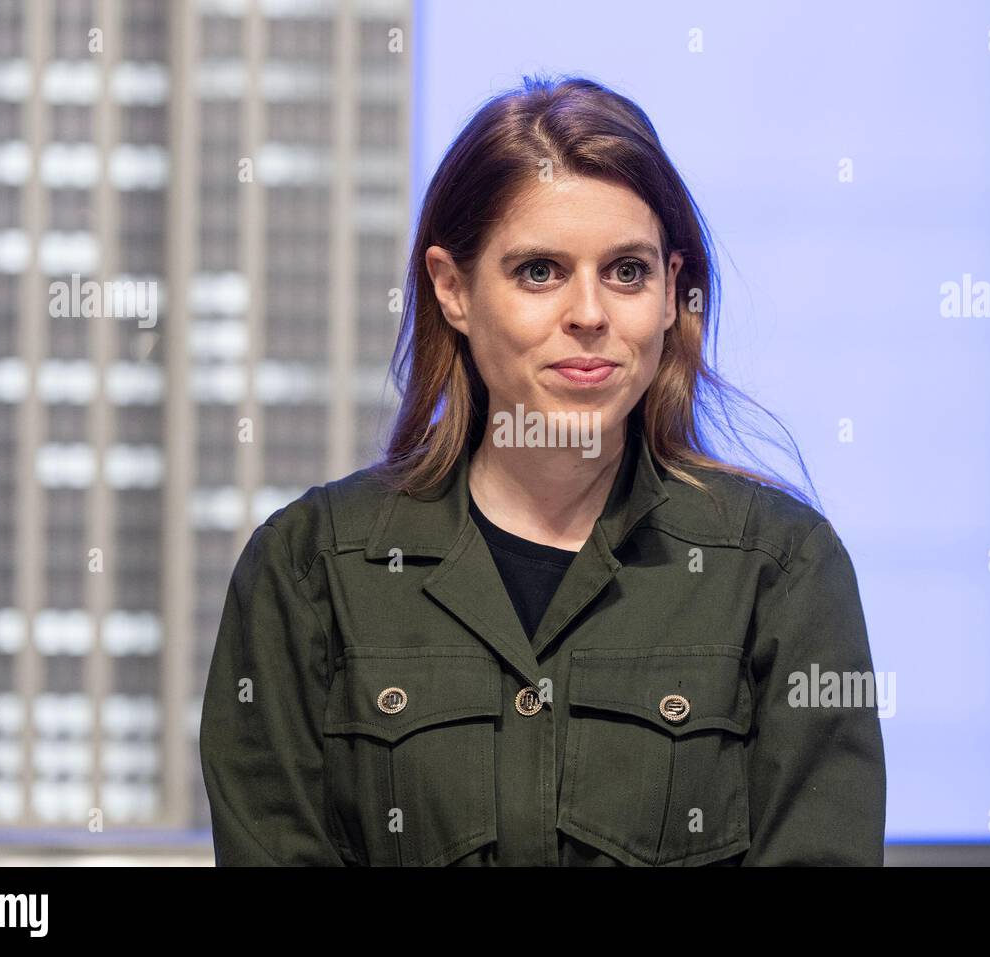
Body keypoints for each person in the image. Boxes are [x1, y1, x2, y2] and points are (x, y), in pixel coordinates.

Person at [200, 74, 886, 866]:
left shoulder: (783, 570)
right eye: (539, 271)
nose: (589, 314)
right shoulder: (309, 569)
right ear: (452, 289)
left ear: (671, 293)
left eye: (627, 271)